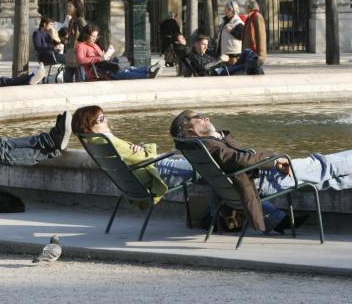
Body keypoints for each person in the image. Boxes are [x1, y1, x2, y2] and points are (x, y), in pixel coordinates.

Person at [72, 105, 295, 234]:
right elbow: (144, 155)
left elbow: (136, 156)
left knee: (221, 172)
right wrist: (147, 148)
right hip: (160, 171)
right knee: (218, 171)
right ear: (89, 125)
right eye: (101, 118)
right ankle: (262, 216)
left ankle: (233, 216)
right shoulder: (108, 140)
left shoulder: (97, 143)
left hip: (146, 175)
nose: (106, 119)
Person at [168, 110, 352, 232]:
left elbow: (242, 153)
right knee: (325, 165)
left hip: (259, 177)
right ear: (190, 129)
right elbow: (241, 159)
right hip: (268, 177)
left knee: (329, 179)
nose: (205, 117)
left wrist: (218, 135)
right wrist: (274, 159)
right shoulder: (209, 146)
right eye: (199, 116)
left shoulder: (200, 146)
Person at [75, 23, 161, 81]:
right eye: (92, 36)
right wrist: (98, 58)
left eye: (96, 37)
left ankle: (149, 69)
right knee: (123, 73)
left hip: (104, 67)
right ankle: (147, 74)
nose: (94, 39)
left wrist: (107, 55)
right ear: (86, 35)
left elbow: (101, 57)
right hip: (97, 71)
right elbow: (80, 60)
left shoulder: (94, 45)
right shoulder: (81, 46)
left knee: (128, 69)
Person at [63, 0, 88, 83]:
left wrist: (79, 42)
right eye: (67, 6)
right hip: (71, 53)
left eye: (70, 6)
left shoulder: (80, 20)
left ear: (76, 8)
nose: (68, 8)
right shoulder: (71, 21)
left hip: (79, 54)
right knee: (67, 78)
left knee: (79, 78)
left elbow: (87, 34)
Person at [241, 0, 266, 74]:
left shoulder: (257, 17)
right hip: (249, 52)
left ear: (250, 7)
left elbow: (261, 37)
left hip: (255, 53)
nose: (244, 9)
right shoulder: (250, 17)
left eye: (245, 7)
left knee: (257, 71)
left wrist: (261, 55)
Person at [216, 1, 244, 66]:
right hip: (224, 52)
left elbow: (241, 36)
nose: (225, 10)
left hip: (233, 54)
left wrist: (231, 31)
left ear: (232, 10)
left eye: (226, 9)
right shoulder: (226, 21)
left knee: (232, 73)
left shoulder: (238, 22)